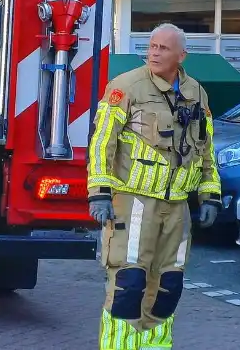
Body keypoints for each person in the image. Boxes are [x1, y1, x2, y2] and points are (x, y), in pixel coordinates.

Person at [87, 22, 220, 350]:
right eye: (151, 46)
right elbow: (102, 142)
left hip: (177, 208)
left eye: (162, 48)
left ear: (181, 55)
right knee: (128, 287)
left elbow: (206, 150)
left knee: (167, 288)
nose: (154, 53)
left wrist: (210, 195)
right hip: (133, 204)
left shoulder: (196, 93)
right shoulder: (125, 87)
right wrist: (99, 192)